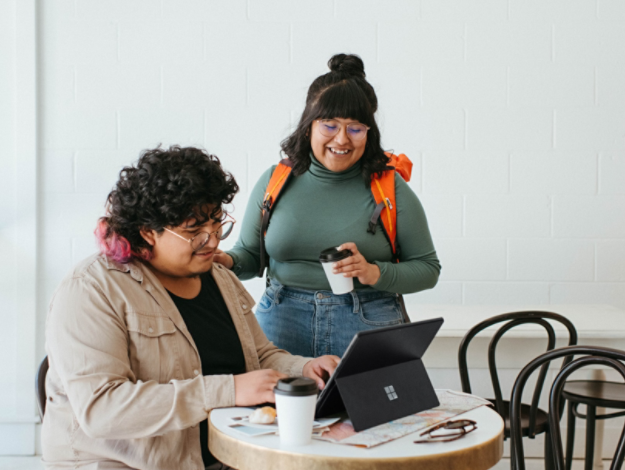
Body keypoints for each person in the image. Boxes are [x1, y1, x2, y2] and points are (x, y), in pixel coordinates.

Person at [41, 146, 339, 470]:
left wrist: (304, 369)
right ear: (146, 232)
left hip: (223, 455)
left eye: (216, 223)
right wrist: (228, 390)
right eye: (193, 231)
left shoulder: (219, 276)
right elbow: (102, 411)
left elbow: (260, 356)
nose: (212, 241)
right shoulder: (92, 290)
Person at [215, 54, 441, 358]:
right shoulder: (276, 180)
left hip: (368, 319)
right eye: (330, 125)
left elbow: (428, 269)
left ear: (369, 132)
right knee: (274, 407)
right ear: (309, 126)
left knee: (370, 406)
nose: (342, 139)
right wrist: (226, 261)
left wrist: (374, 272)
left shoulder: (389, 187)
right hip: (282, 319)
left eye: (355, 128)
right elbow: (252, 257)